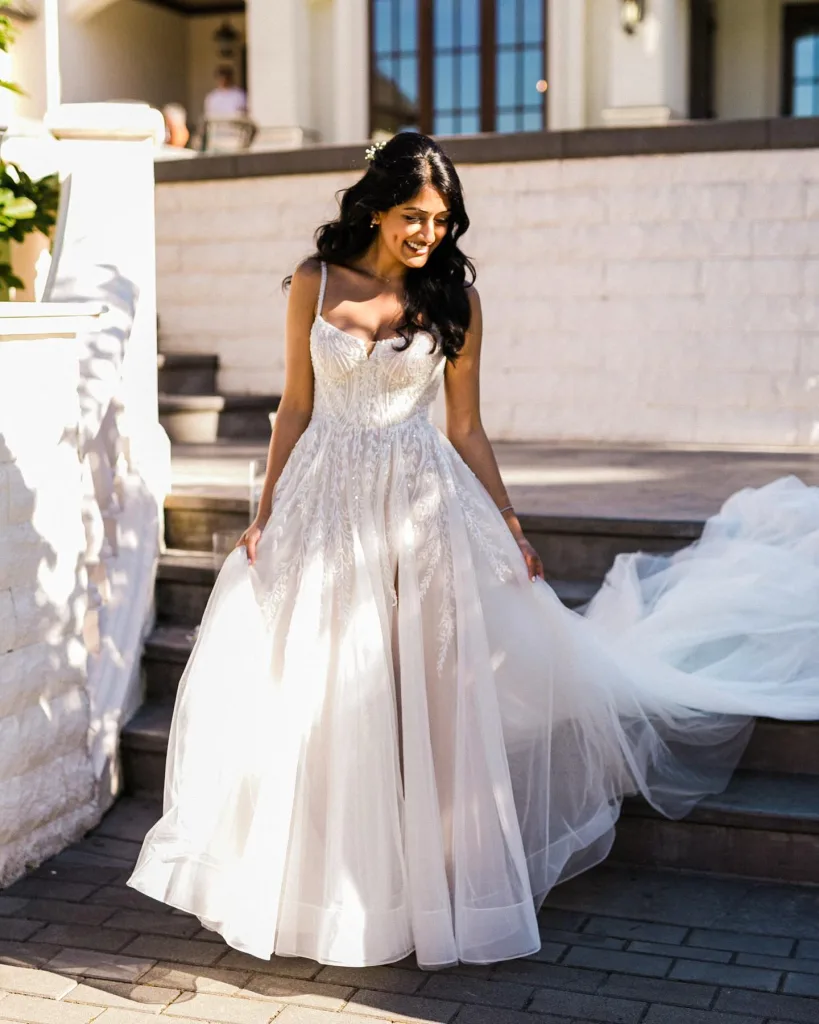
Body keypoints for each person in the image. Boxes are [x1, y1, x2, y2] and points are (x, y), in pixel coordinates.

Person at [128, 132, 819, 970]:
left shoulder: (452, 299)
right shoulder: (312, 284)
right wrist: (266, 511)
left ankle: (441, 883)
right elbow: (293, 409)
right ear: (376, 207)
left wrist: (511, 522)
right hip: (325, 504)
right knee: (324, 686)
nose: (427, 233)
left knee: (431, 698)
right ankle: (335, 891)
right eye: (413, 216)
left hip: (421, 504)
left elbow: (463, 426)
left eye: (441, 220)